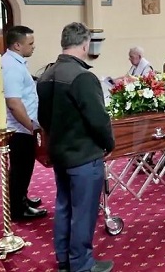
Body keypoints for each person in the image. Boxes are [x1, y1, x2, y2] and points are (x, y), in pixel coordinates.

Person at [37, 22, 115, 272]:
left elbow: (43, 118)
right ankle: (81, 264)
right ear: (85, 44)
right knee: (84, 211)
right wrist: (108, 143)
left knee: (63, 206)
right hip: (83, 155)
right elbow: (98, 118)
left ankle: (64, 259)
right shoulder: (83, 76)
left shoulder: (47, 73)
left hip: (60, 152)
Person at [1, 25, 47, 220]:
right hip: (20, 127)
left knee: (24, 166)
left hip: (22, 125)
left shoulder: (15, 61)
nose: (33, 47)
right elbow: (13, 102)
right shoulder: (11, 66)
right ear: (18, 45)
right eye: (31, 43)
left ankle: (21, 198)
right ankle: (18, 209)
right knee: (21, 167)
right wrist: (32, 126)